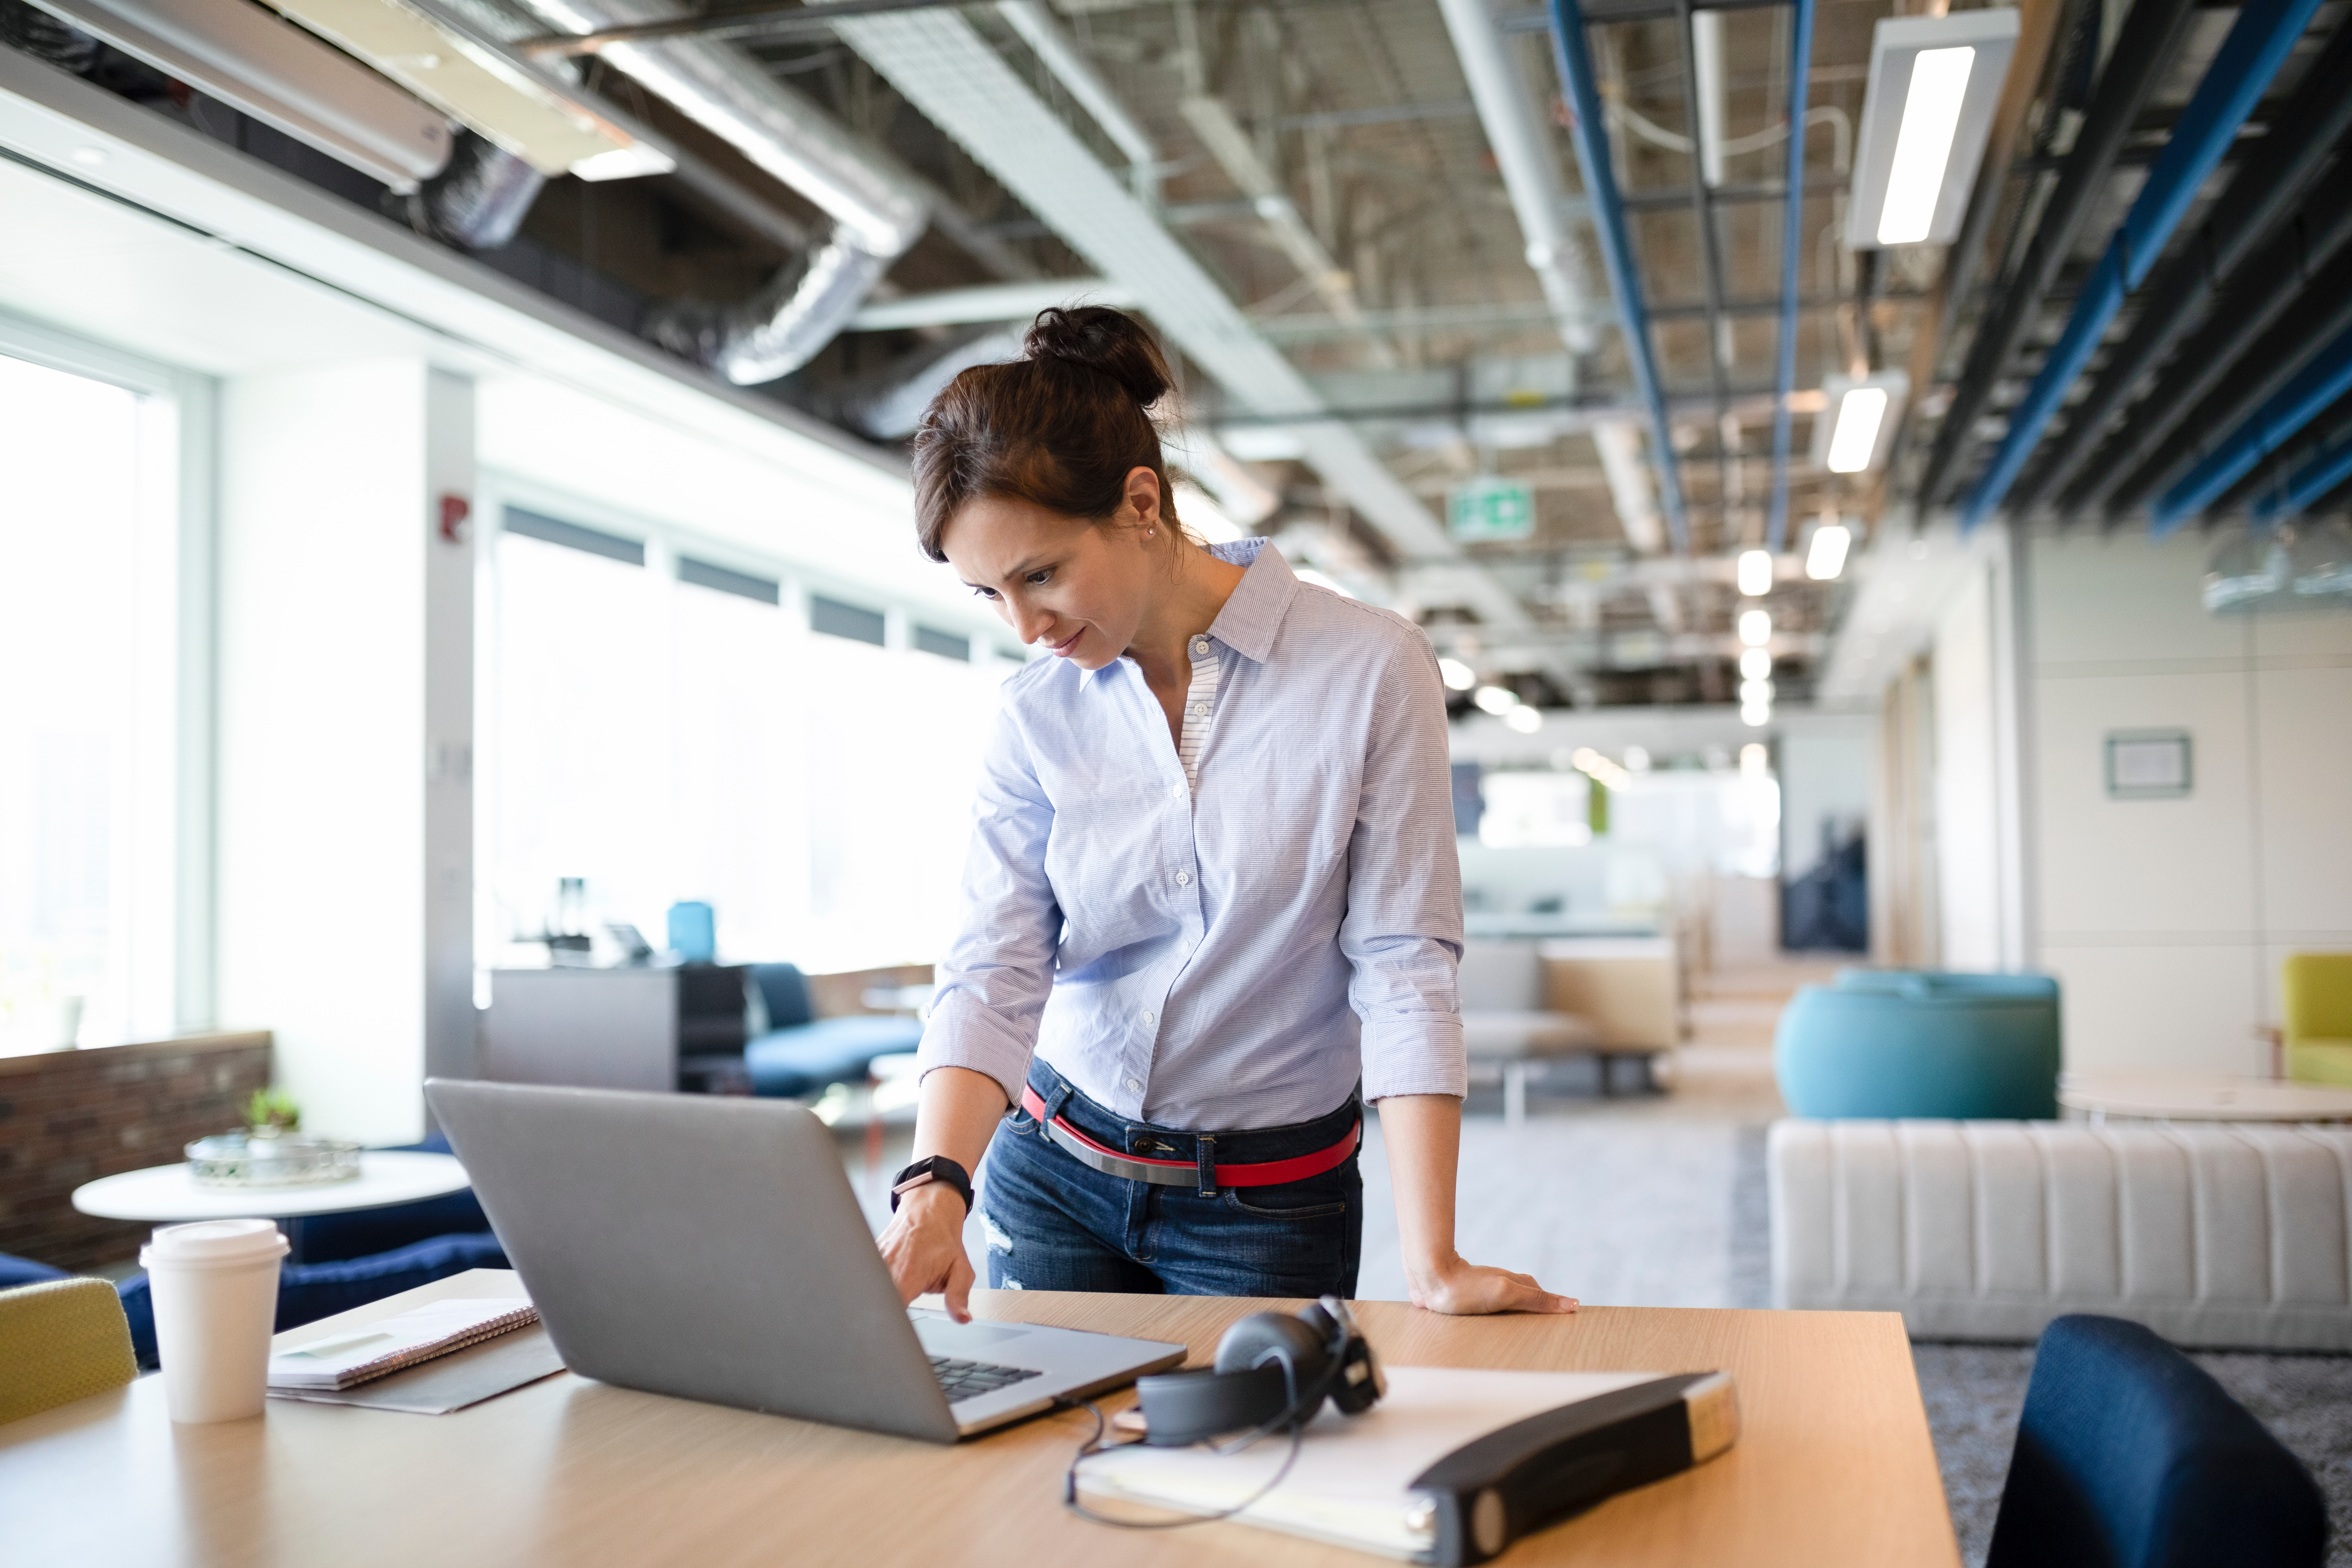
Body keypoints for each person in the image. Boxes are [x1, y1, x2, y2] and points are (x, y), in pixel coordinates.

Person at [876, 306, 1574, 1322]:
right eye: (990, 594)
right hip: (1056, 1164)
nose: (1026, 627)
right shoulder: (1035, 714)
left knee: (1243, 1471)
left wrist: (1436, 1260)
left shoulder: (1370, 667)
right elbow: (997, 963)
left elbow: (1403, 960)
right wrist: (937, 1184)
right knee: (1036, 1460)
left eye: (1042, 574)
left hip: (1265, 1205)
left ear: (1142, 502)